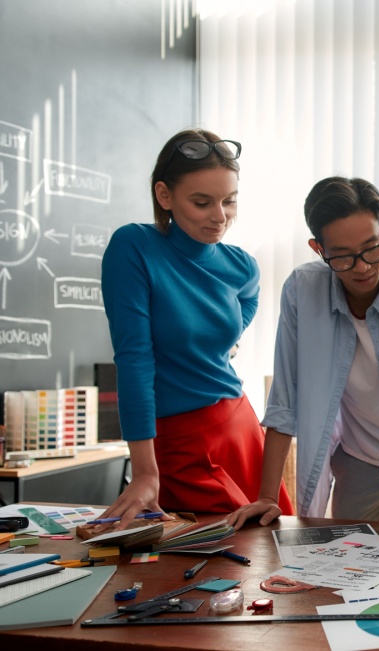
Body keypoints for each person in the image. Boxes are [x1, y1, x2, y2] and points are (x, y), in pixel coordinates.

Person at [227, 176, 379, 529]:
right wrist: (268, 497)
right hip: (355, 454)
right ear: (319, 249)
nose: (362, 267)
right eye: (344, 257)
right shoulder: (302, 290)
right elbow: (284, 398)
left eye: (371, 248)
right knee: (348, 561)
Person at [100, 128, 293, 528]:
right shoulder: (134, 247)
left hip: (239, 426)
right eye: (203, 203)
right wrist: (145, 472)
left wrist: (220, 341)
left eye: (229, 201)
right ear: (164, 196)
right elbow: (134, 360)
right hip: (179, 440)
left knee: (282, 553)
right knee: (233, 555)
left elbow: (249, 297)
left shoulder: (240, 264)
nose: (220, 216)